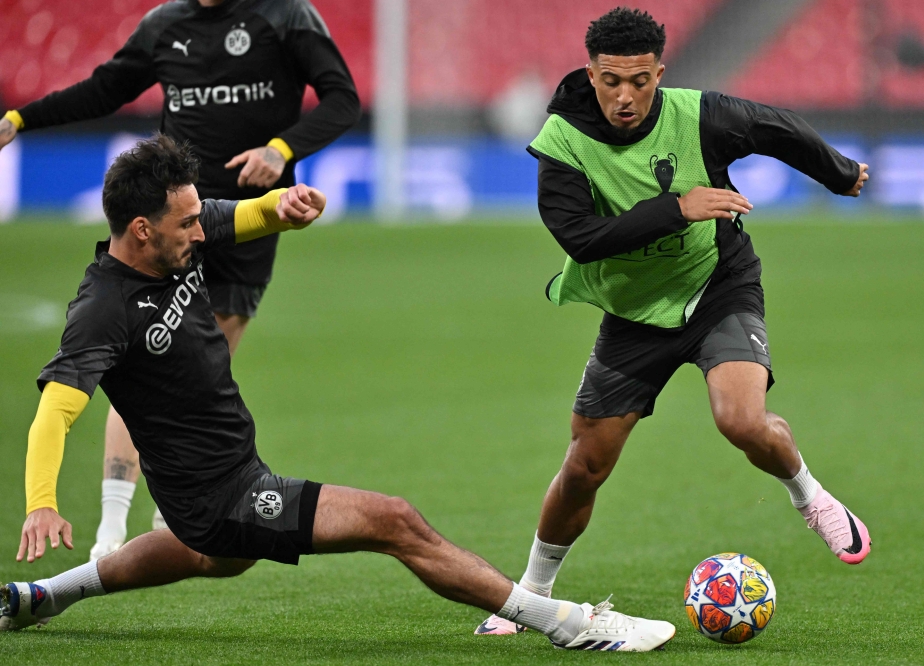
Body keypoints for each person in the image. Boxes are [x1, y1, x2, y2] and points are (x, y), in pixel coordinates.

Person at [0, 135, 674, 653]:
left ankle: (43, 597)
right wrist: (41, 505)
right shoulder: (103, 309)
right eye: (185, 224)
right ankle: (564, 624)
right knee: (394, 521)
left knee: (209, 556)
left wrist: (284, 210)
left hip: (226, 476)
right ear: (141, 230)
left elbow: (244, 214)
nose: (199, 231)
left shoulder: (173, 230)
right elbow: (53, 413)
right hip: (219, 493)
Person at [476, 8, 873, 636]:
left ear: (659, 73)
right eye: (612, 82)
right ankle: (532, 594)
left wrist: (838, 171)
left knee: (739, 419)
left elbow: (772, 127)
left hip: (719, 285)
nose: (625, 97)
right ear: (592, 73)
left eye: (640, 81)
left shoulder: (698, 114)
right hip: (635, 313)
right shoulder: (563, 142)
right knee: (584, 466)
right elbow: (580, 238)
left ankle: (811, 497)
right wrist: (678, 207)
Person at [0, 0, 362, 559]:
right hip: (167, 224)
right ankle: (111, 532)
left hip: (233, 221)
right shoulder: (165, 25)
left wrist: (281, 150)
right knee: (144, 354)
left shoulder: (285, 16)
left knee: (202, 360)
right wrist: (20, 119)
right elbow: (105, 88)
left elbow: (343, 99)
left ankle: (165, 511)